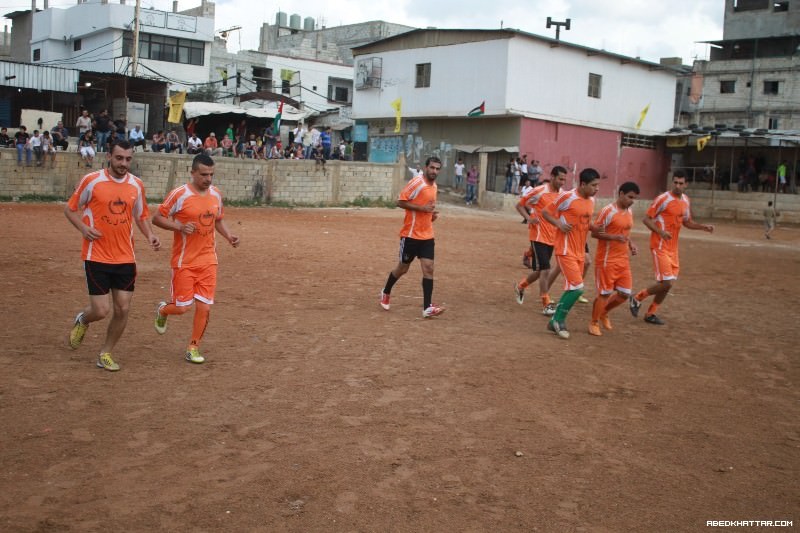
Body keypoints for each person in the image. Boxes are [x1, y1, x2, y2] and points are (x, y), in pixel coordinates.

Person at [65, 140, 161, 371]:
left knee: (123, 309)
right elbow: (70, 209)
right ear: (109, 156)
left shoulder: (136, 185)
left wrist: (150, 235)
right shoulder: (92, 180)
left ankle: (105, 353)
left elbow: (141, 215)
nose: (123, 163)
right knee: (101, 310)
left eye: (128, 159)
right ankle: (83, 319)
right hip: (96, 254)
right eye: (119, 158)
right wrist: (83, 228)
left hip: (125, 257)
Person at [152, 153, 240, 364]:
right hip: (184, 261)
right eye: (203, 174)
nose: (208, 179)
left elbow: (217, 219)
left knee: (205, 306)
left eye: (211, 174)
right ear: (192, 173)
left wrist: (229, 236)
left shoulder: (216, 194)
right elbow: (157, 218)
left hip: (208, 259)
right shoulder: (179, 194)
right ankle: (163, 310)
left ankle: (193, 347)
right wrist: (179, 226)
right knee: (182, 308)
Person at [629, 170, 714, 325]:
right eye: (675, 182)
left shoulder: (686, 201)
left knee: (667, 285)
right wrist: (661, 232)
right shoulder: (663, 199)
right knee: (666, 282)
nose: (677, 185)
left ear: (686, 184)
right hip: (659, 245)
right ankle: (637, 297)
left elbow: (687, 222)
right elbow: (646, 219)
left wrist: (703, 227)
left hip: (673, 248)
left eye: (681, 183)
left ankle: (651, 313)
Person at [379, 157, 445, 318]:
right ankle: (386, 291)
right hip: (410, 235)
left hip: (427, 235)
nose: (434, 171)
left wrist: (430, 216)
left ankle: (427, 308)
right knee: (403, 268)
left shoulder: (434, 186)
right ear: (425, 167)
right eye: (432, 168)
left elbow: (426, 210)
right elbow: (400, 202)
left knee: (429, 268)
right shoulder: (417, 182)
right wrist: (423, 209)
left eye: (437, 169)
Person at [541, 168, 601, 339]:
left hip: (579, 250)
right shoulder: (567, 197)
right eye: (593, 185)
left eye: (598, 185)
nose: (596, 189)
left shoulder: (591, 200)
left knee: (572, 288)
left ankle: (556, 321)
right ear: (583, 184)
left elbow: (585, 221)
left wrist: (594, 227)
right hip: (565, 249)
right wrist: (558, 224)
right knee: (577, 288)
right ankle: (556, 320)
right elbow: (545, 212)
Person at [588, 182, 640, 336]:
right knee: (604, 294)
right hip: (606, 260)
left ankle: (603, 312)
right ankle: (594, 322)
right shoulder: (608, 211)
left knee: (624, 293)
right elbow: (594, 233)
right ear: (621, 194)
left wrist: (631, 244)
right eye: (630, 197)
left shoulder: (629, 212)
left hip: (623, 260)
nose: (632, 201)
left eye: (634, 198)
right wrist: (614, 237)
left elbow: (625, 232)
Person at [514, 166, 567, 316]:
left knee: (539, 271)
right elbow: (519, 205)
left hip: (552, 237)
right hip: (537, 235)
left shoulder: (563, 194)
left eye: (564, 179)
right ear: (552, 177)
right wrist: (529, 218)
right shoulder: (540, 191)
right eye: (560, 179)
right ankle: (546, 302)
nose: (562, 182)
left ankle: (521, 286)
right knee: (545, 269)